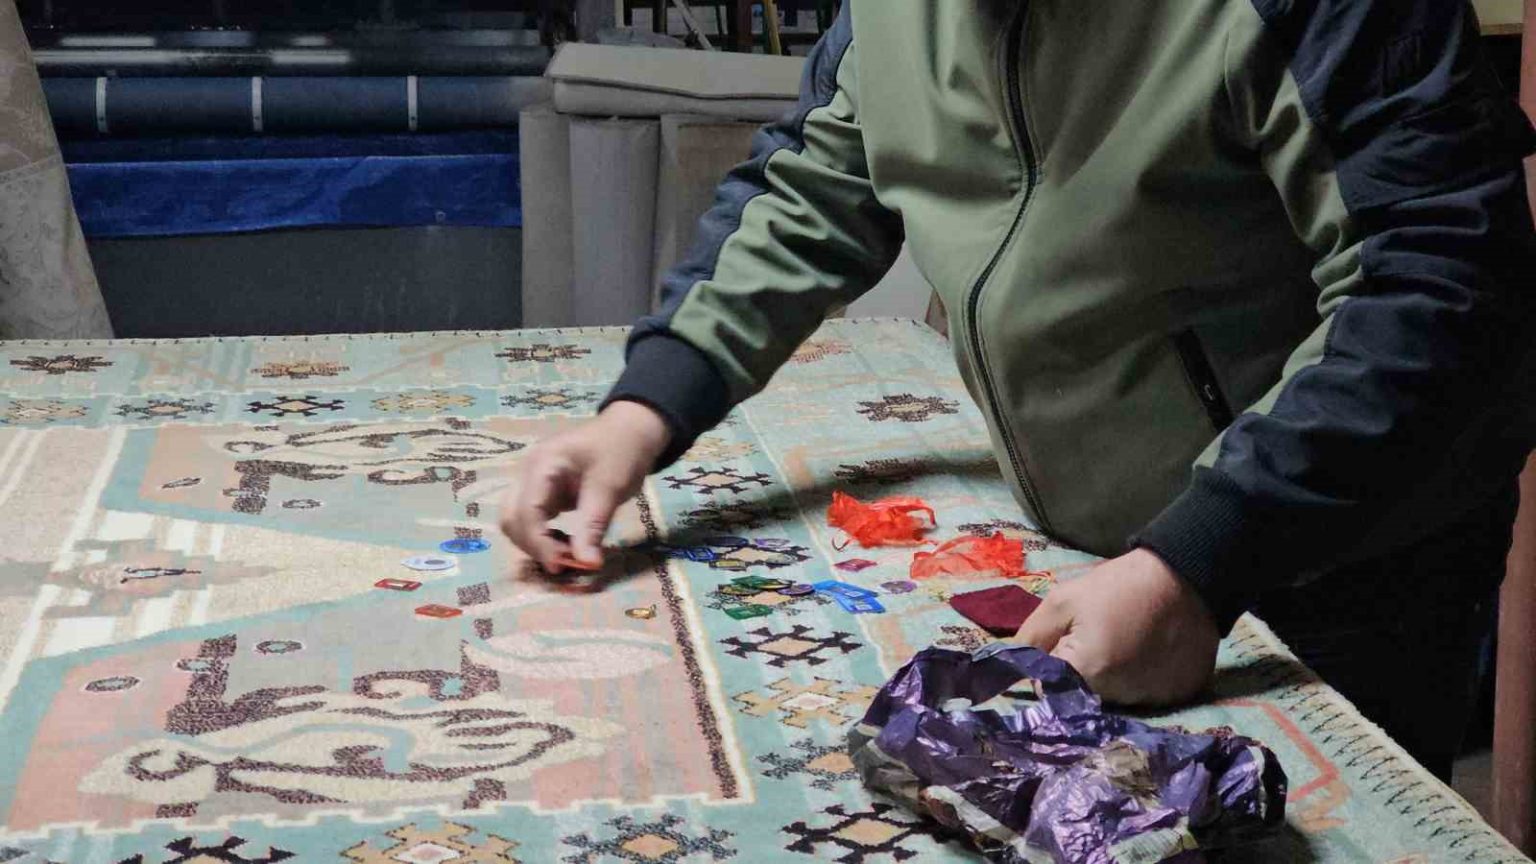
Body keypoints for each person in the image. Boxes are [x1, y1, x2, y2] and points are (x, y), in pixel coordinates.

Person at [502, 0, 1536, 780]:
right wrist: (642, 412)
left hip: (1336, 551)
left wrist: (1202, 557)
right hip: (1109, 550)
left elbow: (1439, 278)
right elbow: (814, 185)